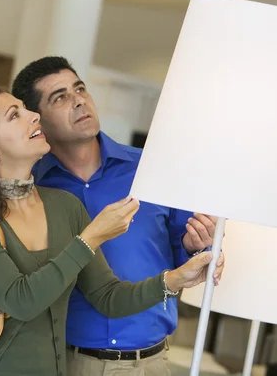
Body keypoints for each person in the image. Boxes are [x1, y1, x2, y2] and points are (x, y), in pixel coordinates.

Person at [0, 84, 225, 376]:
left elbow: (108, 297)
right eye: (15, 115)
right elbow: (21, 300)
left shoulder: (64, 205)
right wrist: (93, 236)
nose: (33, 116)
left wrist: (175, 280)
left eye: (26, 109)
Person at [12, 56, 220, 376]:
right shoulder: (31, 187)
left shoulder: (154, 168)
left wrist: (199, 248)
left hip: (148, 363)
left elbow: (188, 257)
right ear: (37, 122)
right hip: (60, 363)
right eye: (61, 97)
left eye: (79, 88)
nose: (79, 100)